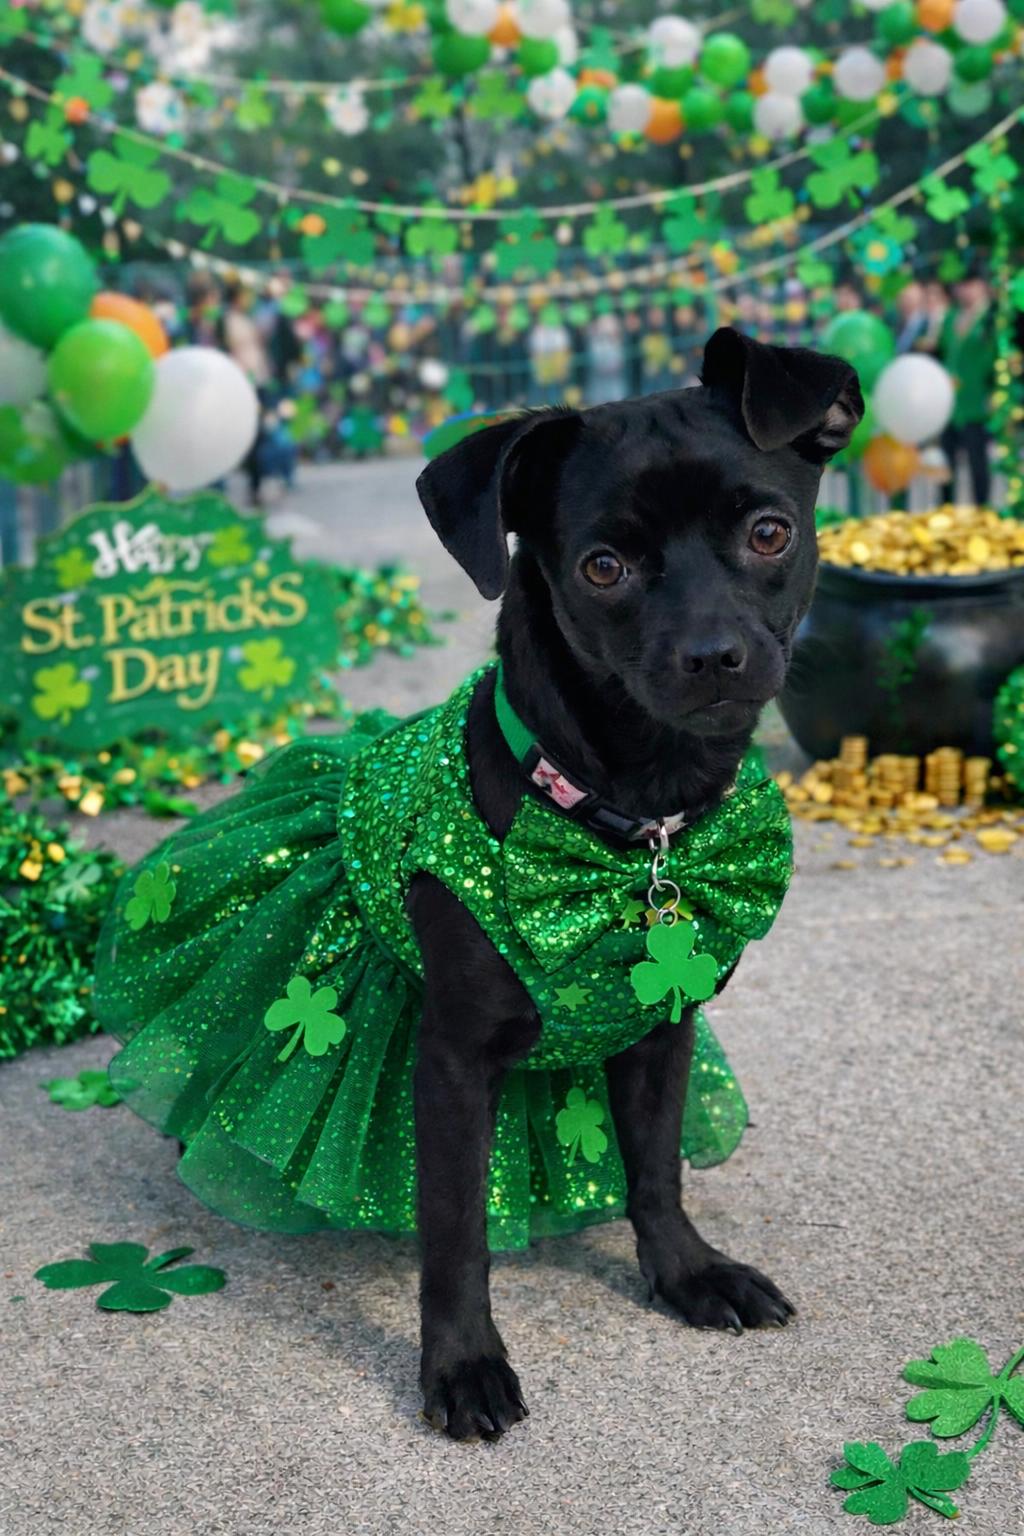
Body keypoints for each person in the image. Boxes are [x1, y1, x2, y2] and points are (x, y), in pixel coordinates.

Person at [938, 274, 996, 507]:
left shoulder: (991, 319)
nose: (966, 291)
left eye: (971, 285)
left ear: (982, 286)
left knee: (977, 461)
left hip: (977, 398)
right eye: (962, 285)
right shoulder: (951, 316)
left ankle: (983, 509)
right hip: (948, 401)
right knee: (945, 461)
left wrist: (994, 390)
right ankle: (946, 508)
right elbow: (943, 351)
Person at [218, 282, 271, 506]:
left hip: (256, 381)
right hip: (241, 385)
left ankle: (256, 484)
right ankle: (251, 482)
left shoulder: (246, 319)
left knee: (258, 436)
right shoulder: (227, 320)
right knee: (250, 437)